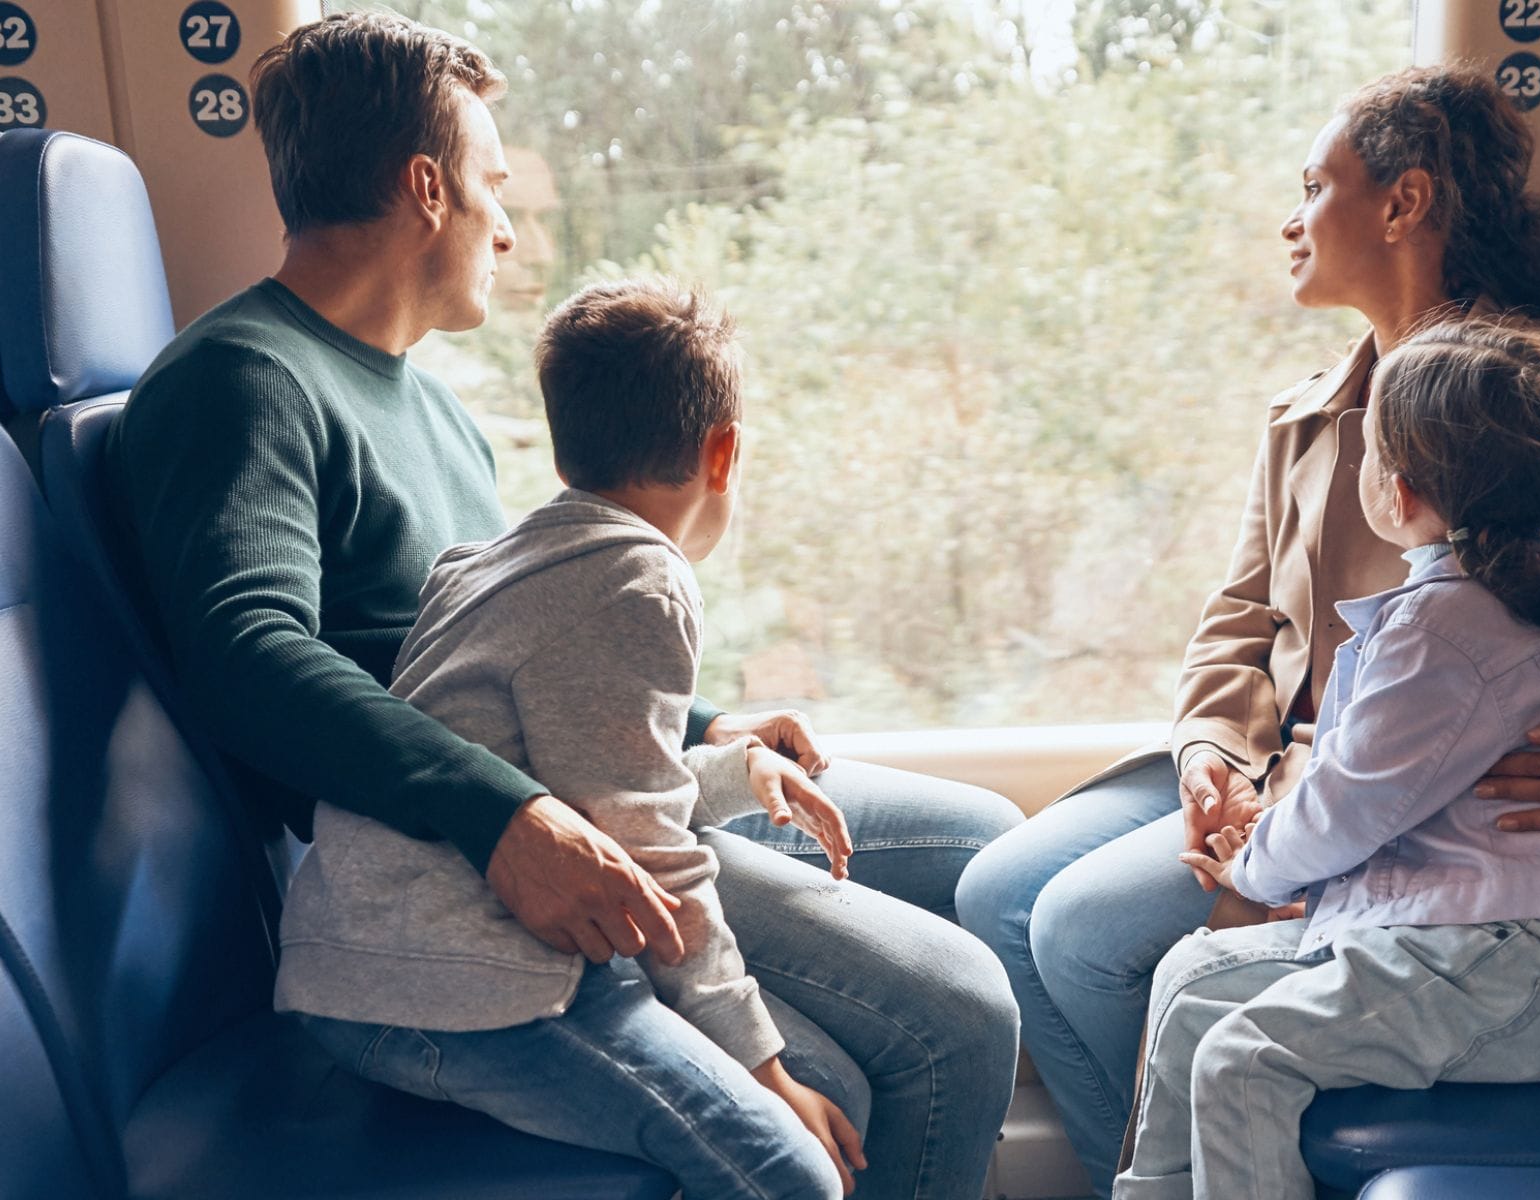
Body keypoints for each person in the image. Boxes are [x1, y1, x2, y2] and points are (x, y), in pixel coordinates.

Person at [107, 14, 1019, 1199]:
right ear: (425, 188)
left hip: (554, 774)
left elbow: (507, 650)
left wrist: (704, 731)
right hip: (458, 846)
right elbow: (249, 653)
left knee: (978, 841)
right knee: (948, 1017)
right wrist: (506, 818)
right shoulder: (243, 381)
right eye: (494, 185)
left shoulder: (435, 413)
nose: (508, 223)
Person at [955, 64, 1540, 1194]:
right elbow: (1238, 618)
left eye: (1314, 185)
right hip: (1269, 762)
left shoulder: (1530, 395)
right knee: (997, 895)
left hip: (1385, 785)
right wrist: (1211, 758)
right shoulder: (1305, 412)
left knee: (1081, 932)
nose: (1288, 219)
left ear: (1401, 205)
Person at [276, 279, 868, 1196]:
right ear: (725, 452)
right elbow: (654, 863)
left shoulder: (495, 559)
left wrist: (739, 773)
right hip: (443, 985)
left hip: (377, 959)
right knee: (794, 1173)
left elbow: (594, 780)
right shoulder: (639, 578)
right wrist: (762, 1070)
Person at [1115, 316, 1540, 1198]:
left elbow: (1350, 806)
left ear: (1396, 493)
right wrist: (1279, 835)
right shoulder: (1459, 605)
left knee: (1243, 1060)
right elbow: (1364, 789)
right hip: (1455, 944)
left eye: (1365, 454)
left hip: (1523, 972)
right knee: (1189, 979)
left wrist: (1253, 862)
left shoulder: (1449, 629)